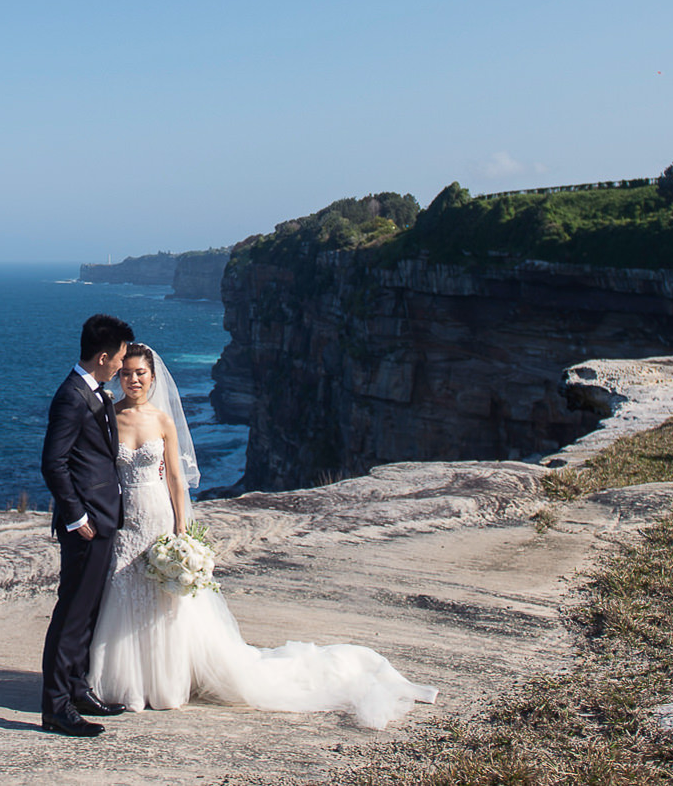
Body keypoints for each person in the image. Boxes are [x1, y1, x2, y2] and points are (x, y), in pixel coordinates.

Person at [88, 343, 438, 729]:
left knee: (166, 602)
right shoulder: (108, 416)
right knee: (126, 593)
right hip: (125, 523)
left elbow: (175, 477)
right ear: (118, 376)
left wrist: (181, 530)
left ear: (152, 377)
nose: (134, 380)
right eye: (127, 373)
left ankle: (166, 684)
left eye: (141, 373)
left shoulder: (163, 421)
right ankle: (129, 684)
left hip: (159, 517)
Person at [39, 312, 136, 736]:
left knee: (90, 609)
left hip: (103, 518)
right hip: (87, 524)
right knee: (72, 613)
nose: (122, 366)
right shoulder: (72, 397)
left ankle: (78, 689)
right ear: (102, 356)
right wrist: (76, 516)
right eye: (119, 358)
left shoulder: (94, 391)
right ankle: (56, 708)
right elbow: (53, 463)